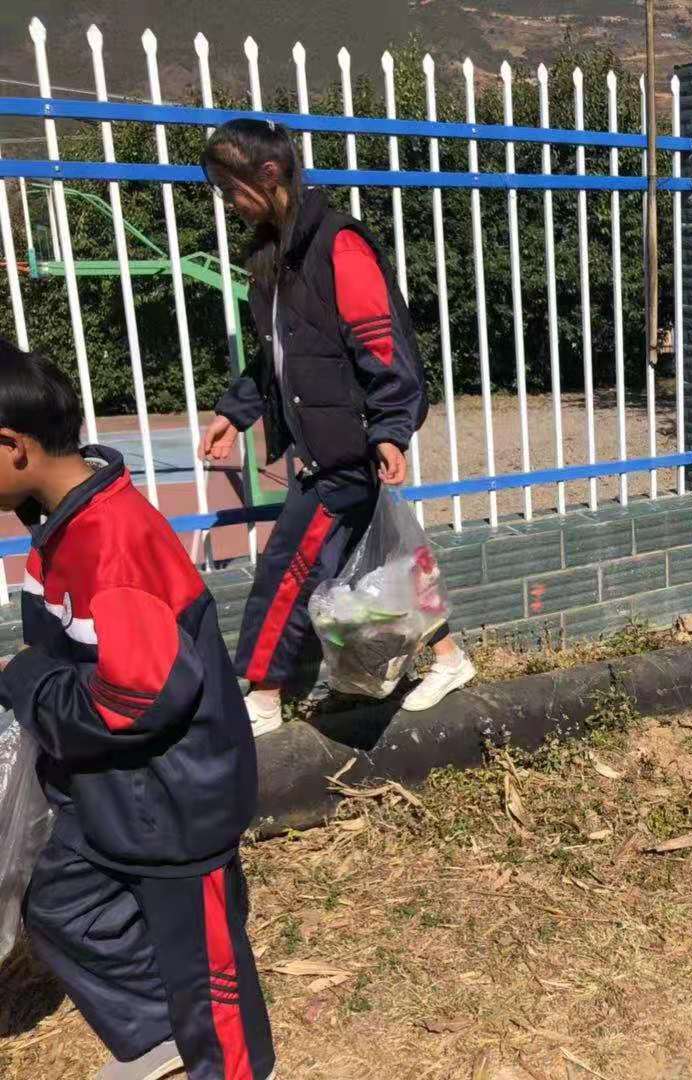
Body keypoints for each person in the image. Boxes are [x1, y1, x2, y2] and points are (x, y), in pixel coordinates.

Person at [0, 341, 275, 1080]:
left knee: (207, 976)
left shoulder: (111, 543)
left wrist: (26, 682)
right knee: (58, 902)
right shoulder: (58, 520)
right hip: (110, 789)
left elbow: (136, 698)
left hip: (174, 803)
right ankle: (161, 1036)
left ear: (13, 446)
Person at [198, 119, 474, 735]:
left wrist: (391, 428)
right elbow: (277, 358)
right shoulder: (275, 256)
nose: (230, 202)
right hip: (327, 447)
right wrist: (234, 413)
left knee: (286, 568)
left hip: (346, 450)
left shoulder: (337, 245)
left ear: (269, 173)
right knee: (383, 561)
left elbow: (382, 345)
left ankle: (264, 695)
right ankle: (450, 659)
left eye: (233, 188)